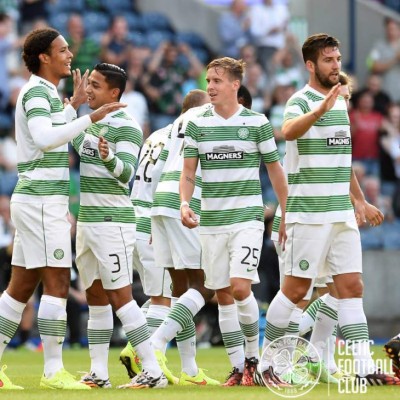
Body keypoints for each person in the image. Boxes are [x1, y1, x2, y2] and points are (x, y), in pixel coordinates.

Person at [259, 33, 400, 387]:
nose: (336, 65)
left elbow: (342, 159)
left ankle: (364, 366)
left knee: (352, 286)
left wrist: (359, 200)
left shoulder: (341, 102)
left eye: (337, 59)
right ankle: (268, 365)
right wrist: (321, 107)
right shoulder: (301, 99)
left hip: (340, 213)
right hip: (307, 213)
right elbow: (288, 131)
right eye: (328, 60)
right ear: (310, 65)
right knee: (295, 290)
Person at [0, 28, 124, 390]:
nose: (70, 55)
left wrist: (72, 106)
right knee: (55, 281)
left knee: (20, 289)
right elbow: (43, 139)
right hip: (40, 200)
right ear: (44, 57)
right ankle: (53, 370)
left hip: (39, 199)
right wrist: (91, 117)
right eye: (63, 49)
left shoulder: (47, 94)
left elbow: (51, 127)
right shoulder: (38, 92)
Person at [180, 57, 288, 386]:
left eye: (216, 80)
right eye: (208, 80)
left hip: (247, 218)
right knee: (223, 294)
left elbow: (275, 171)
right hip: (211, 220)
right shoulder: (198, 124)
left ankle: (255, 361)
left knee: (241, 288)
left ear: (234, 85)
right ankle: (238, 368)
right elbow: (188, 172)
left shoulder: (256, 123)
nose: (210, 86)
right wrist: (185, 203)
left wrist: (286, 213)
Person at [71, 63, 167, 390]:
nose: (89, 89)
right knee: (95, 297)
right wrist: (71, 109)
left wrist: (109, 157)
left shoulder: (127, 126)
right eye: (89, 83)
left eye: (95, 85)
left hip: (113, 222)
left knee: (122, 298)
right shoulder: (91, 121)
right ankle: (98, 374)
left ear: (114, 92)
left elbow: (127, 173)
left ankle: (153, 371)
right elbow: (75, 144)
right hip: (87, 221)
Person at [119, 122, 173, 380]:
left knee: (159, 298)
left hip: (134, 218)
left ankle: (144, 352)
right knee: (164, 299)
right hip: (153, 224)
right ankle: (138, 351)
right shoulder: (182, 136)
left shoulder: (156, 135)